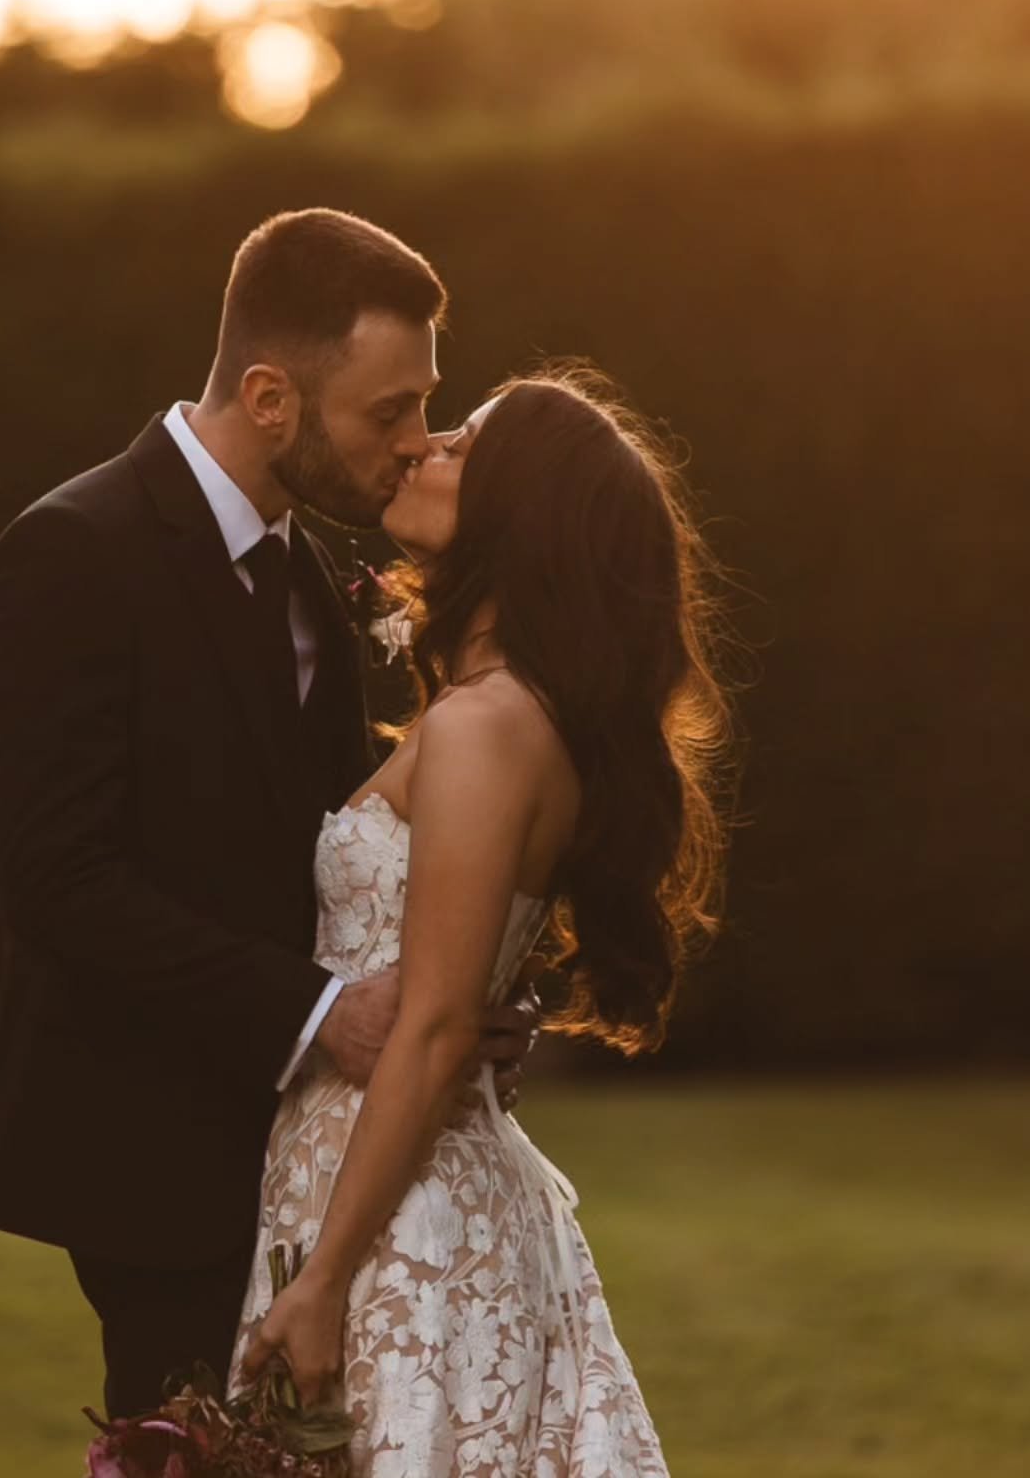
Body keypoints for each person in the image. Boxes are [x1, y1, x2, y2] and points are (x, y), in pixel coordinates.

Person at [0, 208, 536, 1421]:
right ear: (271, 397)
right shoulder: (71, 555)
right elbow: (61, 884)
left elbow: (318, 856)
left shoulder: (307, 576)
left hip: (292, 1143)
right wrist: (331, 1013)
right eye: (388, 413)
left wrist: (439, 995)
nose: (413, 444)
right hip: (146, 1146)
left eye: (423, 406)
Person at [234, 367, 737, 1476]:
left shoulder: (486, 728)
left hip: (400, 1220)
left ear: (521, 512)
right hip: (392, 1179)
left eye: (462, 442)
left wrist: (322, 1282)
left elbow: (431, 1025)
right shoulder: (508, 714)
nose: (422, 447)